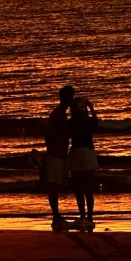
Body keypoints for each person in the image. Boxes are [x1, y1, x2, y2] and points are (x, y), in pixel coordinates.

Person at [43, 84, 74, 230]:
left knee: (55, 185)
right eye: (70, 96)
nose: (72, 99)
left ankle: (57, 216)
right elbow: (52, 134)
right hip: (55, 154)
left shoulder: (60, 114)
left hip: (57, 154)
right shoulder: (58, 114)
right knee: (54, 186)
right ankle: (56, 216)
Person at [68, 94, 100, 228]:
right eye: (79, 106)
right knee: (78, 188)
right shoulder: (73, 122)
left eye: (83, 106)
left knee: (87, 188)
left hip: (85, 153)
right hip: (77, 153)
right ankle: (83, 216)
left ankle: (89, 217)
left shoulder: (86, 121)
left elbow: (95, 122)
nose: (81, 109)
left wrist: (91, 107)